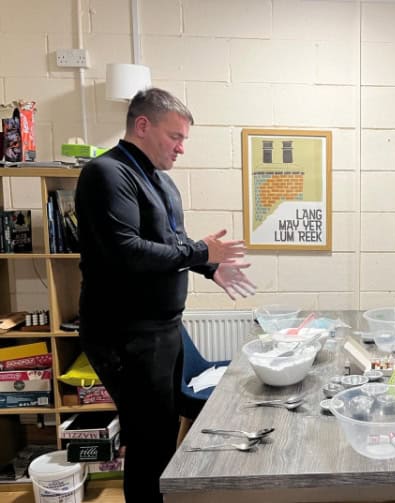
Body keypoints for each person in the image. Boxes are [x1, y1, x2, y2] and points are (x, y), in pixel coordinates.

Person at [75, 88, 256, 503]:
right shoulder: (108, 174)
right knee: (148, 444)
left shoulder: (163, 183)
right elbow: (128, 253)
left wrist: (210, 266)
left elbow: (171, 245)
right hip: (126, 335)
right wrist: (201, 252)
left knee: (160, 437)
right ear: (143, 125)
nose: (181, 148)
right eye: (175, 137)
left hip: (163, 330)